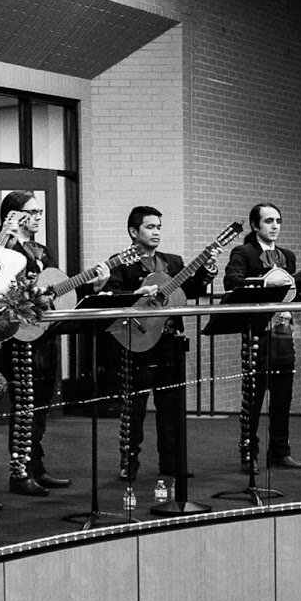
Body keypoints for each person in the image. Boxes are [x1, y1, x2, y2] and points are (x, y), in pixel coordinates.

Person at [0, 190, 104, 497]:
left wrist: (93, 285)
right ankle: (19, 473)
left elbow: (57, 291)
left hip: (45, 335)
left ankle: (37, 467)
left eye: (40, 212)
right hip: (20, 336)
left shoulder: (43, 250)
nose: (39, 217)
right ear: (14, 215)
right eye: (32, 212)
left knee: (40, 407)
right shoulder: (3, 244)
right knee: (24, 408)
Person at [107, 205, 218, 482]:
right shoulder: (121, 262)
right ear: (134, 231)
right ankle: (129, 463)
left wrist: (208, 271)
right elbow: (113, 296)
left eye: (158, 227)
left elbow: (190, 290)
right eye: (150, 227)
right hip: (136, 339)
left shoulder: (174, 262)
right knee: (135, 407)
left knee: (172, 406)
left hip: (169, 341)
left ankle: (172, 462)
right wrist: (137, 293)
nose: (156, 232)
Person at [223, 203, 301, 474]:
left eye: (278, 221)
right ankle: (248, 453)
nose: (275, 226)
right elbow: (232, 282)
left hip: (283, 333)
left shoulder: (287, 256)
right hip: (257, 333)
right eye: (268, 221)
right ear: (255, 226)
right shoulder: (244, 252)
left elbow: (293, 296)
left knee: (283, 395)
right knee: (252, 397)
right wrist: (266, 283)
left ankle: (279, 451)